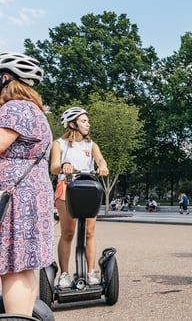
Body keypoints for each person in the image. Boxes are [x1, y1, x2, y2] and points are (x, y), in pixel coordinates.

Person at [0, 52, 54, 316]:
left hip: (15, 200)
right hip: (30, 194)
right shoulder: (33, 110)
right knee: (23, 264)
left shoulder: (15, 108)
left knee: (14, 266)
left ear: (5, 78)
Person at [50, 106, 109, 288]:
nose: (88, 124)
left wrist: (103, 167)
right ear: (72, 124)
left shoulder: (91, 145)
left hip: (87, 188)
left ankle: (91, 272)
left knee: (90, 233)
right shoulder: (59, 143)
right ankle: (65, 275)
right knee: (67, 233)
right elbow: (53, 167)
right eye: (84, 121)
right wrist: (64, 165)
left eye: (87, 121)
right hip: (67, 188)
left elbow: (100, 160)